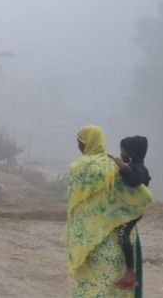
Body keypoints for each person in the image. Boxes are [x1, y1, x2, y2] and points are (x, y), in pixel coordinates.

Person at [65, 125, 153, 298]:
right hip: (118, 221)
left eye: (80, 142)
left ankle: (129, 271)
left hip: (97, 230)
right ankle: (129, 271)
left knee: (96, 280)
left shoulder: (82, 166)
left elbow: (137, 187)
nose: (78, 146)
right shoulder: (112, 166)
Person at [109, 136, 152, 290]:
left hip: (136, 210)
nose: (121, 154)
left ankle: (129, 272)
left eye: (124, 151)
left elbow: (134, 180)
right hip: (129, 209)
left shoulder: (140, 168)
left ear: (132, 152)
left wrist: (122, 166)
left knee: (123, 233)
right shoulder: (133, 165)